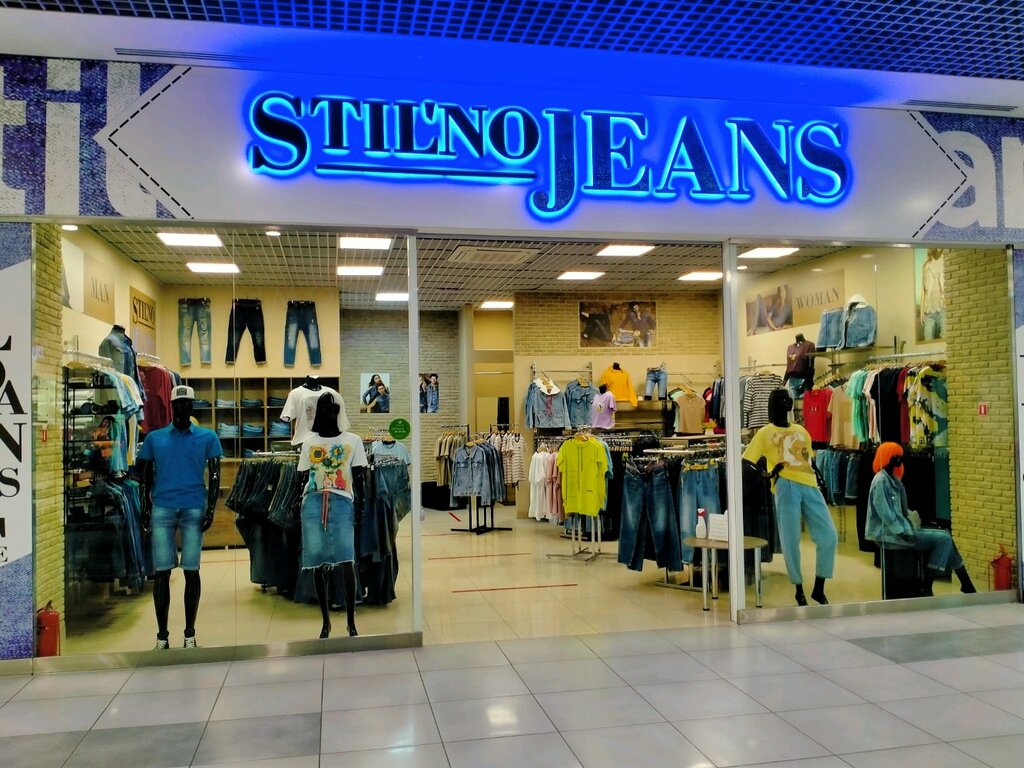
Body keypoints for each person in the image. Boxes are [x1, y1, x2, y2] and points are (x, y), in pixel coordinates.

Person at [136, 385, 222, 649]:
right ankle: (162, 636)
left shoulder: (208, 437)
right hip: (162, 507)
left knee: (191, 570)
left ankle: (189, 634)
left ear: (193, 406)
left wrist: (210, 509)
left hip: (193, 507)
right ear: (172, 407)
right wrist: (145, 507)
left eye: (187, 403)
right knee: (162, 572)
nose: (183, 407)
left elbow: (215, 476)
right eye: (179, 404)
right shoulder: (155, 438)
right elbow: (144, 478)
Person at [742, 388, 837, 606]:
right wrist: (767, 475)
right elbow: (746, 461)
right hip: (786, 485)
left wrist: (821, 481)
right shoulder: (764, 432)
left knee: (829, 535)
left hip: (810, 484)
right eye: (779, 401)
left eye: (786, 400)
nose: (784, 404)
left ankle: (819, 587)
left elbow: (809, 460)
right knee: (790, 539)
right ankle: (798, 589)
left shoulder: (801, 430)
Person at [295, 392, 367, 638]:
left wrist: (361, 506)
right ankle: (325, 621)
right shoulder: (309, 443)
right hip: (313, 503)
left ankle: (350, 621)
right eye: (322, 409)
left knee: (347, 561)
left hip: (343, 501)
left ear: (338, 411)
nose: (327, 413)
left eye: (331, 409)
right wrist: (297, 506)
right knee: (318, 562)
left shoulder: (353, 441)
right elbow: (302, 478)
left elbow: (359, 477)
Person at [866, 442, 975, 595]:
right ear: (887, 457)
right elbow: (885, 512)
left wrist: (914, 518)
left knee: (945, 535)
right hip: (890, 535)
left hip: (900, 530)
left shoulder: (892, 480)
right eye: (896, 456)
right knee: (944, 539)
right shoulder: (881, 481)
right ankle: (928, 586)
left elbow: (900, 510)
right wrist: (901, 531)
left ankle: (965, 584)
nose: (900, 459)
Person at [920, 248, 946, 340]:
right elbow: (923, 289)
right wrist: (921, 311)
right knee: (927, 340)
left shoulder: (946, 261)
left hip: (943, 309)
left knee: (945, 342)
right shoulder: (926, 264)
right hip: (929, 311)